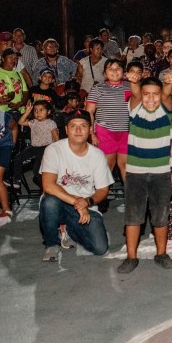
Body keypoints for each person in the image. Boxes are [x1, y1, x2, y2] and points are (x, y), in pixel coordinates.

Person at [117, 74, 172, 273]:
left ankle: (161, 253)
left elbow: (168, 97)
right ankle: (131, 257)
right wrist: (134, 81)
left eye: (155, 94)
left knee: (161, 216)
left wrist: (167, 84)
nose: (151, 98)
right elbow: (135, 94)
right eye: (146, 94)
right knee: (133, 216)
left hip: (161, 172)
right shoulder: (135, 110)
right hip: (136, 172)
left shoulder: (166, 111)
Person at [37, 109, 113, 261]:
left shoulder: (97, 155)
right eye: (73, 126)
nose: (78, 130)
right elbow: (48, 185)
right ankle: (52, 244)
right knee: (49, 201)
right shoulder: (54, 150)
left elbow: (103, 190)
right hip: (60, 202)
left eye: (83, 126)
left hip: (86, 206)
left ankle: (68, 230)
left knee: (100, 248)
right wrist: (78, 202)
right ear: (66, 129)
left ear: (90, 130)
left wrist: (87, 202)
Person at [86, 58, 132, 182]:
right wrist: (91, 133)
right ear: (105, 73)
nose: (114, 71)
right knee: (106, 166)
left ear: (124, 72)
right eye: (111, 69)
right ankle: (102, 198)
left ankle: (131, 199)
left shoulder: (131, 87)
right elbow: (89, 112)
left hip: (127, 133)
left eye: (118, 68)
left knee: (126, 167)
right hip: (105, 133)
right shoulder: (98, 88)